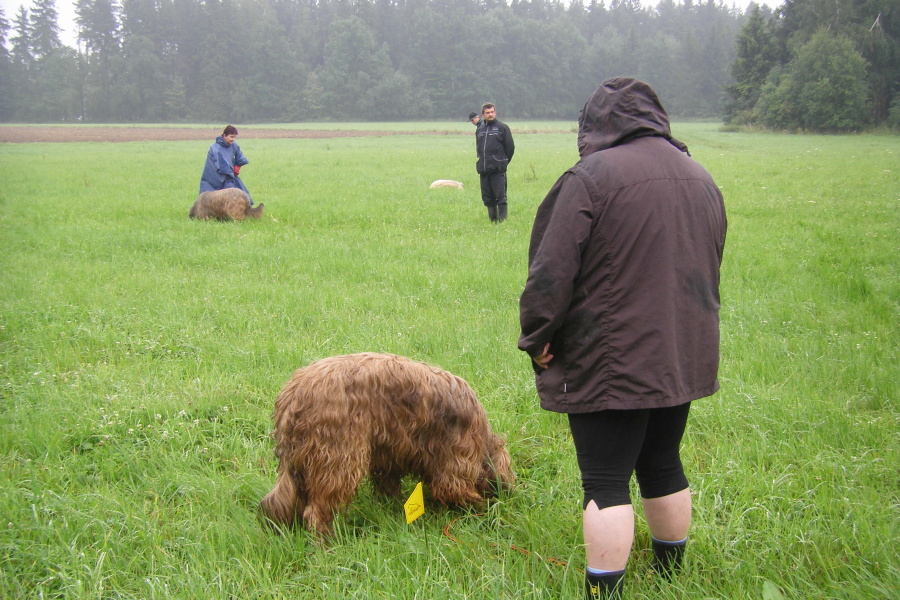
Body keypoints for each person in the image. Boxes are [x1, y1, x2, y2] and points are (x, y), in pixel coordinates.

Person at [517, 78, 727, 599]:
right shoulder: (700, 176)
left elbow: (550, 271)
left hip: (611, 355)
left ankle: (603, 592)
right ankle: (670, 578)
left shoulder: (589, 178)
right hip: (681, 351)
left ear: (595, 125)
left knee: (605, 479)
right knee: (663, 461)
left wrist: (537, 337)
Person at [475, 102, 514, 222]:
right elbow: (479, 148)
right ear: (483, 115)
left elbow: (510, 148)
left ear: (495, 112)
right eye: (487, 113)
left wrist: (502, 162)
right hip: (484, 168)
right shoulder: (480, 130)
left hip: (498, 169)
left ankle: (502, 221)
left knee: (500, 196)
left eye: (492, 112)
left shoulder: (502, 128)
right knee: (487, 196)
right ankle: (493, 220)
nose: (490, 114)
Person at [199, 125, 253, 204]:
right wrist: (230, 173)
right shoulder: (215, 148)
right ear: (224, 135)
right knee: (212, 196)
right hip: (215, 175)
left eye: (235, 137)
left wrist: (237, 167)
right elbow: (221, 165)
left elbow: (240, 157)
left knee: (239, 192)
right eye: (231, 137)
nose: (233, 139)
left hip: (229, 174)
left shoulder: (234, 145)